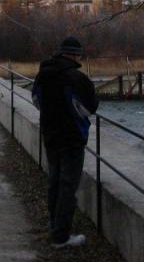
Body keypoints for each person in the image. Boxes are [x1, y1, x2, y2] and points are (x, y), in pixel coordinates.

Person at [32, 36, 98, 249]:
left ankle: (54, 225)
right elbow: (88, 108)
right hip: (71, 138)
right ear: (75, 55)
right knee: (68, 185)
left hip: (50, 134)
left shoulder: (44, 73)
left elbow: (36, 100)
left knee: (55, 181)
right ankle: (61, 236)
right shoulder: (76, 78)